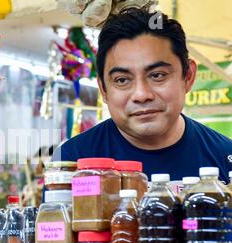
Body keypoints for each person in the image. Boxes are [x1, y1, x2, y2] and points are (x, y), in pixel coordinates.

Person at [52, 8, 232, 184]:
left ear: (188, 76)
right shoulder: (72, 162)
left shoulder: (226, 157)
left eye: (157, 75)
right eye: (122, 80)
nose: (141, 95)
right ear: (103, 89)